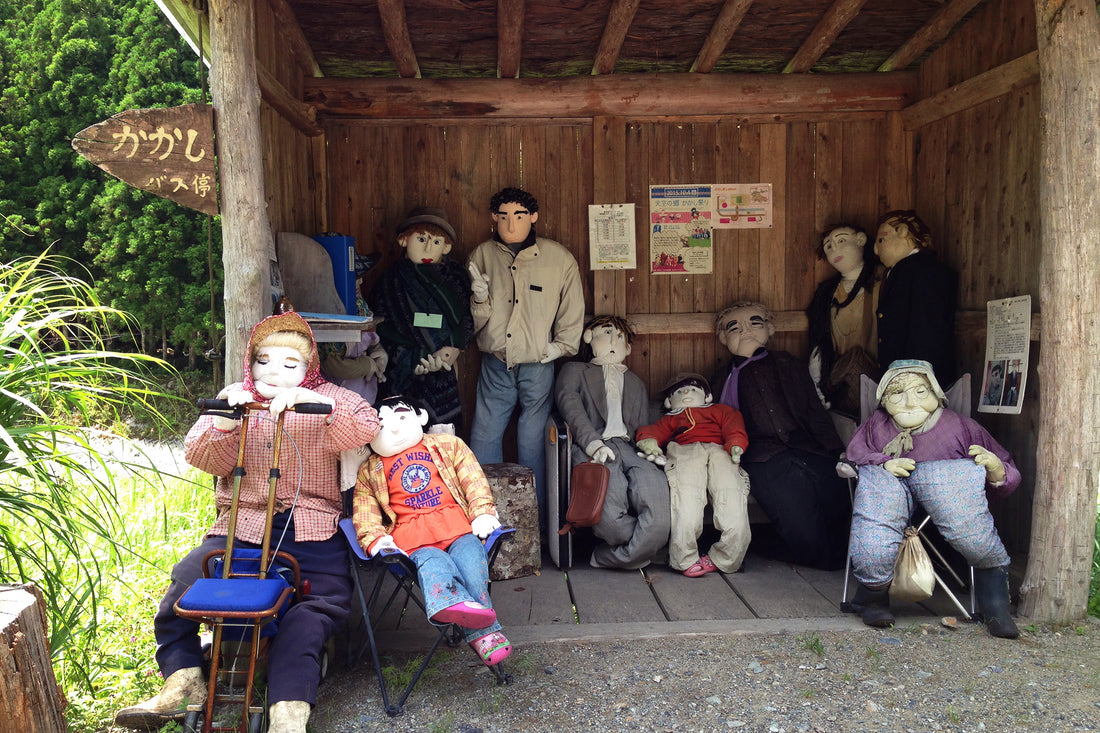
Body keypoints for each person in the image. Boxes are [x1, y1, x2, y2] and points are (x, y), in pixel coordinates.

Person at [115, 311, 380, 733]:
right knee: (184, 587)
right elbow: (203, 457)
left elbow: (365, 426)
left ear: (309, 366)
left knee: (310, 615)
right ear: (251, 363)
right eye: (265, 361)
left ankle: (287, 714)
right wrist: (223, 423)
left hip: (308, 527)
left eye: (290, 364)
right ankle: (183, 682)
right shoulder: (236, 394)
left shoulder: (331, 394)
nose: (275, 371)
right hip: (241, 524)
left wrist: (318, 407)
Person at [845, 359, 1020, 638]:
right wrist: (881, 462)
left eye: (920, 391)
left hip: (944, 487)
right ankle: (873, 595)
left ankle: (995, 603)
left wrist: (995, 468)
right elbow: (853, 454)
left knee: (969, 523)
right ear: (884, 399)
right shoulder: (875, 426)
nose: (908, 401)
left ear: (936, 394)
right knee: (876, 514)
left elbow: (1006, 469)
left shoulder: (960, 427)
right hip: (892, 485)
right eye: (897, 393)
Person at [353, 396, 511, 665]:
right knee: (433, 561)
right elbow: (364, 510)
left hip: (459, 529)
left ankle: (467, 616)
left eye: (402, 417)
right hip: (414, 541)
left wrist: (483, 511)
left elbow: (473, 478)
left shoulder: (447, 446)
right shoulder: (370, 469)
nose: (393, 429)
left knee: (472, 559)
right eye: (381, 424)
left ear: (421, 417)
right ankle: (476, 626)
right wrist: (375, 539)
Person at [467, 187, 584, 532]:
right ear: (493, 218)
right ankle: (482, 521)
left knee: (533, 441)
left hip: (539, 363)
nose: (510, 223)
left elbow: (571, 309)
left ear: (533, 217)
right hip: (495, 362)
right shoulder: (482, 255)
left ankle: (537, 524)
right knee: (484, 437)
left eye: (518, 215)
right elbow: (470, 319)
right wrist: (478, 300)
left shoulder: (558, 258)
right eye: (503, 216)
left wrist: (560, 347)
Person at [713, 301, 851, 570]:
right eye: (734, 327)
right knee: (796, 512)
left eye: (754, 322)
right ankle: (794, 549)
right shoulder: (722, 379)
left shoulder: (787, 363)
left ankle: (838, 550)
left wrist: (836, 450)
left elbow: (813, 410)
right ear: (722, 338)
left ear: (770, 328)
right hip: (762, 457)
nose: (746, 331)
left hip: (806, 447)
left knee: (837, 493)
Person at [553, 315, 670, 570]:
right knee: (611, 524)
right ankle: (643, 548)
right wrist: (592, 443)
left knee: (660, 516)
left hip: (631, 449)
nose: (614, 340)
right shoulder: (574, 371)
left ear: (628, 348)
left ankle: (607, 557)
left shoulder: (636, 382)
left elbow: (644, 424)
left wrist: (651, 445)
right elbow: (569, 406)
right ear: (589, 339)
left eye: (620, 337)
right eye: (606, 333)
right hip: (593, 447)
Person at [636, 374, 751, 577]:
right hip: (685, 451)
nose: (686, 392)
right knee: (686, 498)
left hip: (721, 452)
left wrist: (735, 445)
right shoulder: (671, 418)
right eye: (679, 392)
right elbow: (651, 431)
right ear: (669, 402)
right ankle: (684, 559)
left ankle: (726, 557)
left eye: (693, 389)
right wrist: (649, 442)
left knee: (731, 495)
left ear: (707, 396)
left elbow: (734, 425)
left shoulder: (720, 410)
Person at [368, 206, 473, 427]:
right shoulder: (390, 281)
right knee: (399, 429)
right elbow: (380, 325)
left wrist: (450, 350)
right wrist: (407, 356)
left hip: (442, 371)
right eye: (421, 239)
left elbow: (465, 321)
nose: (427, 248)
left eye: (435, 242)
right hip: (399, 371)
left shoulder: (457, 279)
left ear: (446, 247)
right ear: (404, 240)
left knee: (441, 434)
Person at [874, 210, 958, 384]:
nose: (876, 249)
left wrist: (915, 383)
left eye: (881, 240)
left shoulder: (923, 272)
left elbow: (925, 333)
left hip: (916, 385)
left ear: (903, 232)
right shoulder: (904, 271)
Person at [806, 224, 881, 416]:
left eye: (841, 241)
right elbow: (819, 338)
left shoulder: (884, 282)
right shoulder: (827, 292)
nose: (835, 250)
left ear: (861, 240)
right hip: (841, 376)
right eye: (828, 246)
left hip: (881, 370)